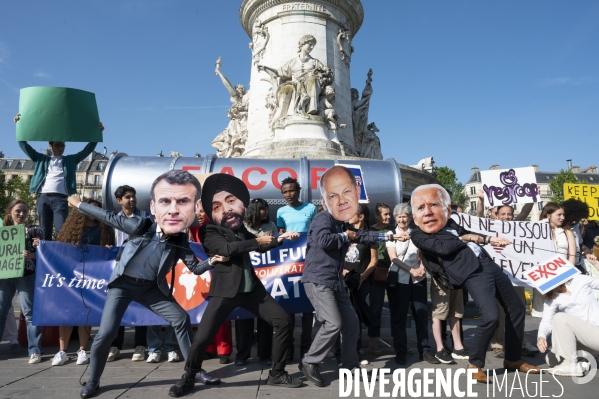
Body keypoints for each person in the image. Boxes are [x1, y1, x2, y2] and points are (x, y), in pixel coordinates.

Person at [72, 170, 221, 398]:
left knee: (181, 318)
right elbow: (109, 217)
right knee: (106, 333)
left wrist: (212, 260)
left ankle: (195, 370)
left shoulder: (179, 239)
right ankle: (93, 381)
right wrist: (79, 204)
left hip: (149, 288)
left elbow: (195, 268)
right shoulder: (142, 226)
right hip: (123, 286)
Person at [172, 173, 302, 398]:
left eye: (231, 201)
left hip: (252, 290)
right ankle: (189, 376)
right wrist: (255, 241)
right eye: (218, 205)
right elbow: (227, 249)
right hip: (225, 292)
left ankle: (277, 373)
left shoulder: (239, 227)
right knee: (202, 338)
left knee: (283, 321)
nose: (227, 209)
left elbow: (258, 246)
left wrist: (279, 239)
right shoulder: (208, 230)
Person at [409, 184, 539, 383]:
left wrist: (488, 239)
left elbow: (470, 233)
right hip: (471, 272)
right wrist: (468, 237)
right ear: (415, 215)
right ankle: (475, 364)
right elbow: (444, 248)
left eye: (433, 205)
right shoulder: (418, 234)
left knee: (517, 308)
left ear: (447, 209)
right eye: (420, 208)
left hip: (489, 264)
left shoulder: (451, 222)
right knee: (491, 317)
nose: (427, 212)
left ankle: (513, 359)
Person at [299, 165, 396, 387]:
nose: (341, 201)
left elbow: (361, 234)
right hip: (318, 280)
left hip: (334, 282)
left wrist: (387, 237)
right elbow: (324, 241)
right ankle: (310, 361)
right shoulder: (323, 219)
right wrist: (345, 235)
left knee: (351, 322)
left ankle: (349, 366)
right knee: (333, 323)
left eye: (346, 193)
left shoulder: (341, 222)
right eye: (334, 196)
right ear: (326, 201)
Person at [14, 113, 104, 240]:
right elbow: (24, 145)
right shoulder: (41, 158)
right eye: (57, 145)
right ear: (50, 146)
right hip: (43, 197)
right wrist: (18, 125)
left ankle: (60, 257)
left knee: (62, 230)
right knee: (44, 231)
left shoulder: (71, 160)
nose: (61, 148)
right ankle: (44, 258)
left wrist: (97, 133)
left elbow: (88, 150)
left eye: (62, 145)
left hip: (61, 199)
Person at [51, 198, 115, 367]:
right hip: (71, 276)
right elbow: (59, 249)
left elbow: (111, 251)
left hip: (92, 278)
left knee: (84, 314)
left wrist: (108, 249)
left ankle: (82, 349)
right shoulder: (72, 228)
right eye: (89, 208)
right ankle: (62, 350)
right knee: (66, 314)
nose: (92, 212)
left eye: (96, 209)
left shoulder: (105, 229)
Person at [386, 203, 441, 365]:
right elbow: (393, 257)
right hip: (400, 279)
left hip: (418, 279)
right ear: (396, 218)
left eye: (405, 216)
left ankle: (424, 350)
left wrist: (422, 269)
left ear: (410, 218)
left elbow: (424, 253)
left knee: (421, 314)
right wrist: (412, 270)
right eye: (399, 216)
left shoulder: (418, 233)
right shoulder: (391, 234)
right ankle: (400, 351)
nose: (402, 219)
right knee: (399, 317)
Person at [537, 254, 599, 376]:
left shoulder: (580, 279)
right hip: (584, 338)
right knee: (551, 359)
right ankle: (585, 360)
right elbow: (546, 321)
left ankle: (571, 365)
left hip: (596, 331)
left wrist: (596, 265)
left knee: (560, 318)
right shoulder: (551, 298)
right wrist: (541, 336)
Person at [276, 177, 318, 360]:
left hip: (309, 263)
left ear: (298, 191)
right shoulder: (280, 212)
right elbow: (280, 236)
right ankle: (289, 347)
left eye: (291, 191)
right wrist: (285, 236)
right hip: (289, 266)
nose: (288, 195)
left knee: (308, 310)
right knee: (290, 307)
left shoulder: (311, 208)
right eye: (285, 192)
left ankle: (306, 347)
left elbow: (317, 232)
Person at [490, 205, 539, 359]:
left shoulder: (517, 226)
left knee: (518, 310)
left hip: (516, 277)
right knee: (499, 311)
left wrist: (531, 197)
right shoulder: (489, 228)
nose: (506, 216)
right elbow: (478, 213)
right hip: (497, 277)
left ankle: (520, 342)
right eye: (503, 214)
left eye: (509, 214)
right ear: (496, 215)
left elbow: (525, 211)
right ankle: (498, 345)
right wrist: (481, 199)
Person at [107, 185, 149, 362]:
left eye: (133, 196)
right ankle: (115, 345)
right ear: (119, 201)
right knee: (118, 306)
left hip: (141, 267)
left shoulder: (146, 217)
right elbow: (109, 240)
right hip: (119, 268)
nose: (132, 199)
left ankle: (140, 345)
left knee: (141, 306)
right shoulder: (113, 220)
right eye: (127, 197)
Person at [189, 205, 233, 368]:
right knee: (204, 314)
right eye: (197, 212)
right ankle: (209, 347)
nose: (199, 215)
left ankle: (224, 349)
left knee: (221, 313)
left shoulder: (219, 228)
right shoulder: (192, 230)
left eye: (202, 211)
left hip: (219, 275)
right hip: (201, 277)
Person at [0, 200, 44, 364]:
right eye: (18, 211)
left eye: (25, 211)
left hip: (26, 274)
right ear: (10, 212)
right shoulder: (2, 231)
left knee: (30, 312)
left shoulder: (34, 230)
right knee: (0, 311)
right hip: (5, 275)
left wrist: (33, 254)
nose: (21, 214)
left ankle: (35, 350)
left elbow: (46, 253)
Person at [236, 198, 278, 366]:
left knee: (265, 318)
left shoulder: (271, 226)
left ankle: (265, 354)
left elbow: (277, 245)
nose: (266, 212)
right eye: (262, 209)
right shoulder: (242, 226)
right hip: (246, 276)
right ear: (254, 210)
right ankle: (242, 355)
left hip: (268, 278)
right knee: (244, 319)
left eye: (266, 209)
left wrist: (273, 239)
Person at [337, 203, 378, 364]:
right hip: (343, 280)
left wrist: (361, 277)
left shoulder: (370, 235)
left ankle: (355, 350)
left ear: (361, 216)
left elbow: (374, 261)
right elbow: (337, 256)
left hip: (361, 282)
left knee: (355, 316)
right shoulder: (345, 233)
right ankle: (340, 351)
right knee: (342, 316)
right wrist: (342, 271)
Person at [531, 203, 578, 318]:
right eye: (559, 215)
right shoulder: (537, 232)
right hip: (544, 277)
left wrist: (566, 276)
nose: (562, 217)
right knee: (544, 314)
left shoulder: (568, 232)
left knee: (561, 312)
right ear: (548, 215)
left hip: (563, 276)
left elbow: (572, 255)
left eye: (563, 215)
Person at [365, 202, 393, 357]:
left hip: (393, 272)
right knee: (375, 307)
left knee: (396, 307)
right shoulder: (371, 231)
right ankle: (373, 342)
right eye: (385, 214)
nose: (389, 217)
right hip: (377, 273)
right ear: (377, 215)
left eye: (389, 214)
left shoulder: (393, 230)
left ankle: (398, 341)